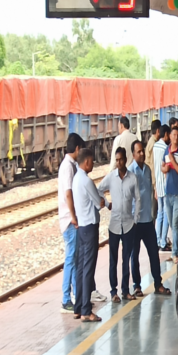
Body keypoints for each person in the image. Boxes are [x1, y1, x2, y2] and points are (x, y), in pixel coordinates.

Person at [129, 140, 171, 296]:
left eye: (142, 151)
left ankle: (158, 284)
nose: (142, 154)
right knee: (135, 256)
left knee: (154, 253)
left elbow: (150, 193)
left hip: (148, 221)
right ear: (133, 155)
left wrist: (153, 216)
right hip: (135, 222)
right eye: (138, 152)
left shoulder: (147, 170)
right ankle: (137, 286)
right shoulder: (130, 172)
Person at [98, 147, 140, 303]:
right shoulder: (111, 178)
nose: (118, 162)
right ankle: (113, 291)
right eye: (116, 160)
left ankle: (125, 290)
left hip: (129, 224)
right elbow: (99, 189)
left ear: (125, 160)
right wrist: (107, 204)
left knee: (126, 259)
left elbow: (138, 198)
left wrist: (135, 219)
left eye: (121, 159)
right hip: (114, 225)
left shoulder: (132, 178)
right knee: (113, 260)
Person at [72, 148, 106, 322]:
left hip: (81, 228)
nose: (93, 164)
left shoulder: (76, 179)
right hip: (90, 227)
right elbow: (99, 203)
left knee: (80, 268)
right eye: (92, 161)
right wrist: (103, 202)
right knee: (88, 269)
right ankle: (86, 310)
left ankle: (78, 307)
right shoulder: (86, 181)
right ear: (86, 162)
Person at [58, 133, 85, 313]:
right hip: (69, 220)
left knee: (74, 259)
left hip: (69, 218)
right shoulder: (67, 167)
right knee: (70, 259)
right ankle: (66, 298)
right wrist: (74, 216)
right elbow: (68, 193)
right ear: (76, 149)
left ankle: (76, 295)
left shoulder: (69, 164)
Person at [162, 126, 178, 263]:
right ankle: (175, 251)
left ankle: (175, 253)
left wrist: (172, 161)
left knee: (176, 224)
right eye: (174, 135)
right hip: (168, 193)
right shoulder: (166, 150)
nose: (176, 137)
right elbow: (162, 166)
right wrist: (164, 168)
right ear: (170, 136)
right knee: (172, 225)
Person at [153, 125, 171, 251]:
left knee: (160, 213)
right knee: (166, 214)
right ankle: (163, 242)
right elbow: (167, 168)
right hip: (165, 185)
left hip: (158, 186)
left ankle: (157, 240)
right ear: (166, 135)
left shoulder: (155, 147)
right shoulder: (166, 148)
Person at [144, 120, 161, 219]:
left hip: (150, 179)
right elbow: (154, 167)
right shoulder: (154, 145)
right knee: (154, 209)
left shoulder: (151, 141)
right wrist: (155, 186)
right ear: (158, 131)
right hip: (152, 180)